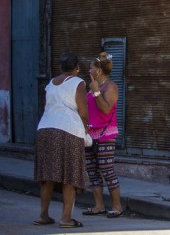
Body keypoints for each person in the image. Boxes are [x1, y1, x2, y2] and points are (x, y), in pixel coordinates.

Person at [33, 50, 88, 228]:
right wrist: (85, 129)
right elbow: (84, 112)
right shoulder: (78, 83)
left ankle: (43, 215)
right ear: (77, 67)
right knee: (69, 176)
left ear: (61, 66)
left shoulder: (50, 83)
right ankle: (66, 219)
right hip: (68, 131)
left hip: (45, 130)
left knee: (48, 175)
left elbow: (47, 107)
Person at [82, 52, 123, 218]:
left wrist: (96, 92)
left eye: (91, 67)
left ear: (98, 70)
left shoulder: (110, 87)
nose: (89, 70)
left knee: (107, 170)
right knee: (92, 171)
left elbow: (106, 109)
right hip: (91, 134)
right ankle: (98, 206)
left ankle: (117, 207)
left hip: (105, 135)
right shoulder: (93, 86)